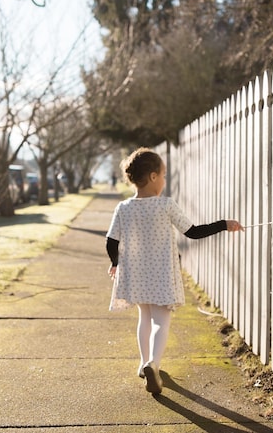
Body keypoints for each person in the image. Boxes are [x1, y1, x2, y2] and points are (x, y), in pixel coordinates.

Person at [105, 147, 243, 395]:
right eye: (164, 175)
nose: (165, 180)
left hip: (135, 275)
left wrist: (115, 263)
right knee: (161, 322)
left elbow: (111, 242)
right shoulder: (166, 205)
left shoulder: (123, 208)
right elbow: (192, 231)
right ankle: (154, 364)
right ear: (153, 176)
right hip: (161, 275)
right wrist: (224, 224)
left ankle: (142, 362)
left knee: (144, 318)